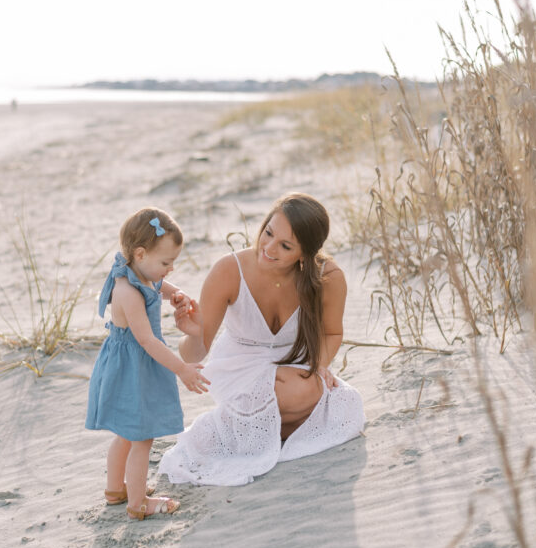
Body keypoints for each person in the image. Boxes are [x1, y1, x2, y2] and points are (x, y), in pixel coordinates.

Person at [158, 193, 365, 486]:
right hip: (239, 367)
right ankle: (242, 429)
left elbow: (331, 333)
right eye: (268, 232)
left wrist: (318, 366)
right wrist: (192, 332)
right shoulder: (229, 270)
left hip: (294, 363)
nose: (268, 247)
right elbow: (194, 355)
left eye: (285, 246)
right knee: (303, 395)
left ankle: (257, 430)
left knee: (346, 404)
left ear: (304, 254)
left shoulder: (327, 276)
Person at [85, 207, 211, 519]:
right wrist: (181, 368)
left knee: (127, 433)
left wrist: (176, 294)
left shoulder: (142, 274)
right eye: (166, 263)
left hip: (135, 364)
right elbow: (147, 340)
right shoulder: (127, 290)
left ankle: (116, 489)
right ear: (140, 254)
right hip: (133, 367)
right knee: (142, 436)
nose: (170, 269)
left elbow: (158, 287)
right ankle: (137, 503)